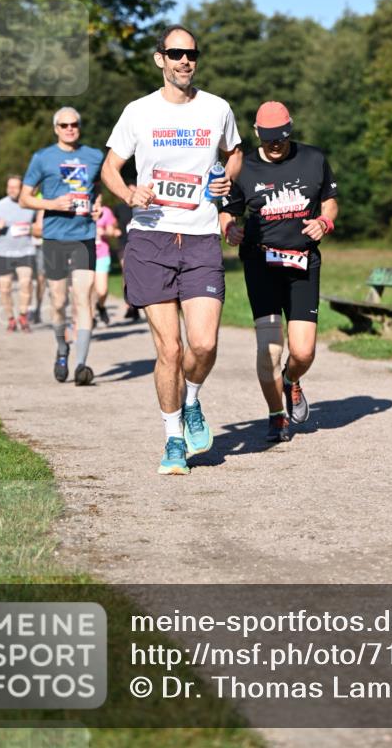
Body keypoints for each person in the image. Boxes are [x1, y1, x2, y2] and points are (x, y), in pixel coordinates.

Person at [102, 24, 242, 476]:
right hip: (150, 238)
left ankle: (193, 400)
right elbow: (110, 167)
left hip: (200, 238)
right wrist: (128, 195)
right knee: (170, 351)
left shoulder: (217, 108)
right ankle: (173, 439)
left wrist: (226, 178)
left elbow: (235, 152)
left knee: (203, 343)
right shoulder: (138, 112)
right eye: (176, 53)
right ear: (159, 58)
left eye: (192, 54)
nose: (186, 61)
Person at [219, 101, 338, 444]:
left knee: (303, 352)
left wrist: (324, 221)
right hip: (261, 265)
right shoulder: (243, 167)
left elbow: (330, 200)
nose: (275, 144)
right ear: (257, 133)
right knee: (268, 349)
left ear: (291, 129)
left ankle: (290, 380)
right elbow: (228, 211)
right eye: (269, 138)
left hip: (302, 263)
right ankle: (276, 415)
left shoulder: (313, 159)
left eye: (282, 137)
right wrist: (230, 229)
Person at [20, 108, 103, 385]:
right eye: (64, 125)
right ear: (56, 128)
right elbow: (24, 198)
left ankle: (81, 364)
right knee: (58, 302)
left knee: (83, 299)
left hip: (84, 235)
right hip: (55, 237)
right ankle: (62, 347)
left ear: (80, 126)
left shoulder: (94, 156)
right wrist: (51, 204)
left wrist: (99, 204)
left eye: (74, 124)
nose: (70, 128)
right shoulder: (42, 158)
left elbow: (98, 188)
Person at [0, 177, 36, 332]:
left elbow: (40, 223)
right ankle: (10, 319)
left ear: (21, 188)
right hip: (4, 252)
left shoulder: (30, 204)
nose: (12, 190)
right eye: (10, 187)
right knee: (5, 288)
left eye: (15, 187)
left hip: (26, 250)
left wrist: (34, 228)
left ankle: (23, 315)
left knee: (25, 284)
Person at [113, 183, 141, 321]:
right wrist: (114, 230)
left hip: (141, 245)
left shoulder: (143, 206)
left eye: (133, 190)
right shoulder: (119, 207)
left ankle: (137, 304)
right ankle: (129, 305)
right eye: (128, 190)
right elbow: (112, 222)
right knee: (127, 272)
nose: (131, 193)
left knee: (139, 274)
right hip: (124, 244)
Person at [92, 202, 116, 325]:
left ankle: (100, 306)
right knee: (88, 289)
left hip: (102, 254)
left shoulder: (106, 211)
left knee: (102, 290)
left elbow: (112, 232)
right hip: (85, 255)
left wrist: (104, 232)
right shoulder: (80, 209)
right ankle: (90, 317)